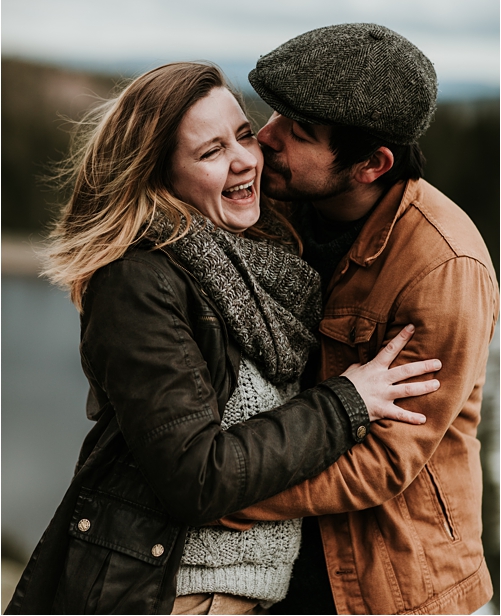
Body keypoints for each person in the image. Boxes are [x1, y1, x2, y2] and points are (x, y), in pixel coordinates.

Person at [5, 62, 442, 615]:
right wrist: (345, 404)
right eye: (210, 152)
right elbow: (196, 477)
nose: (246, 159)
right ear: (158, 176)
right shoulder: (138, 282)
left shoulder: (260, 264)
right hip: (174, 597)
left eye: (242, 135)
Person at [219, 23, 499, 614]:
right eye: (272, 116)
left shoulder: (443, 267)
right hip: (274, 563)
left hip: (393, 583)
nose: (265, 139)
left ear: (372, 163)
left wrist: (224, 490)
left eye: (299, 133)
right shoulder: (273, 208)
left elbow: (384, 461)